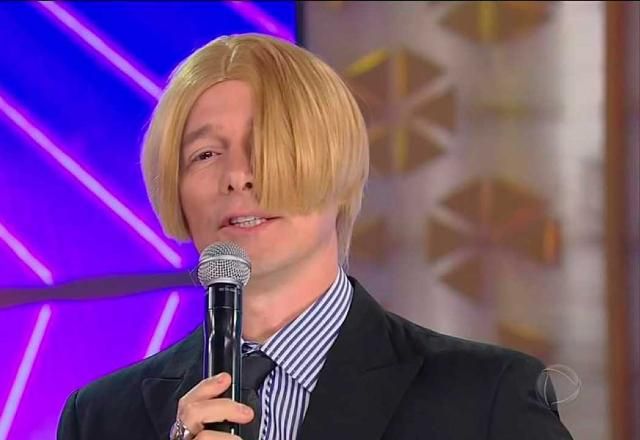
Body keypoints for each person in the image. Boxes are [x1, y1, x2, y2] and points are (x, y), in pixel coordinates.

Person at [57, 33, 573, 440]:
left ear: (336, 167)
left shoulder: (486, 397)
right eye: (205, 154)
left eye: (270, 145)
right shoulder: (102, 417)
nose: (238, 176)